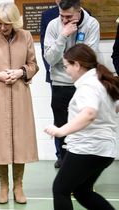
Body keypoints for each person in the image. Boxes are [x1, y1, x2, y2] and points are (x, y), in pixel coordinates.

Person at [0, 2, 39, 205]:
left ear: (14, 22)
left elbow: (33, 64)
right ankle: (3, 185)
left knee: (20, 141)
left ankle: (18, 185)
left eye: (7, 24)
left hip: (20, 95)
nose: (3, 28)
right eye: (0, 23)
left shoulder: (26, 36)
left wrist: (21, 72)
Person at [44, 43, 119, 210]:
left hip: (88, 149)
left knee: (60, 190)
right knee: (81, 191)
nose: (66, 71)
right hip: (103, 150)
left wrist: (60, 130)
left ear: (77, 65)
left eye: (66, 66)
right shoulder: (100, 81)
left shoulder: (88, 86)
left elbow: (89, 113)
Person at [44, 0, 100, 166]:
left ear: (79, 11)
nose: (64, 20)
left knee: (85, 129)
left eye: (69, 16)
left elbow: (89, 59)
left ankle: (83, 170)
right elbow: (50, 59)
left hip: (84, 85)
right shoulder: (54, 26)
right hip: (60, 84)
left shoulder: (92, 24)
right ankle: (65, 167)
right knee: (62, 129)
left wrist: (65, 59)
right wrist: (63, 36)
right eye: (62, 15)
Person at [40, 0, 62, 168]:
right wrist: (51, 70)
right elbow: (44, 48)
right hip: (56, 75)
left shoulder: (86, 15)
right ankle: (60, 155)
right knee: (59, 117)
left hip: (79, 76)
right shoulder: (48, 16)